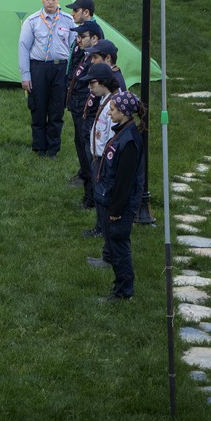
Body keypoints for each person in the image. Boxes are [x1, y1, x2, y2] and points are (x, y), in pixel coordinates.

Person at [91, 90, 146, 302]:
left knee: (119, 246)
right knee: (114, 244)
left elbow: (125, 182)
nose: (109, 113)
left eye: (112, 110)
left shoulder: (130, 141)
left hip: (120, 206)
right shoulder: (122, 132)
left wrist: (115, 211)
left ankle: (124, 292)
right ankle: (120, 287)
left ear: (124, 112)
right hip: (113, 201)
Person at [18, 0, 77, 157]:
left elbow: (74, 46)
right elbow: (23, 47)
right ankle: (39, 147)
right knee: (38, 108)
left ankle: (53, 148)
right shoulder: (33, 21)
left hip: (59, 69)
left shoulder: (68, 20)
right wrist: (25, 76)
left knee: (56, 109)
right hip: (39, 68)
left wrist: (70, 74)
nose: (50, 2)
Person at [79, 62, 122, 246]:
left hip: (105, 160)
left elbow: (112, 137)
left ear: (104, 82)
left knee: (103, 197)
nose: (90, 87)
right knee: (98, 196)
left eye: (92, 83)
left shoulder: (114, 104)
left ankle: (104, 230)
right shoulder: (105, 99)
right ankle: (100, 226)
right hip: (98, 157)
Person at [66, 20, 104, 206]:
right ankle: (89, 195)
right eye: (77, 36)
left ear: (95, 38)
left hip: (86, 115)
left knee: (90, 156)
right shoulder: (84, 55)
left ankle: (91, 198)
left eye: (82, 36)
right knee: (83, 152)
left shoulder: (95, 62)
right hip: (78, 111)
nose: (78, 40)